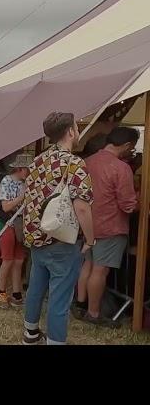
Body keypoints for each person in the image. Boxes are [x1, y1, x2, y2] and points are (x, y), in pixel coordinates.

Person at [21, 112, 95, 345]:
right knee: (60, 297)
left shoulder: (37, 160)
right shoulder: (74, 163)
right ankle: (55, 341)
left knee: (36, 287)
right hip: (62, 238)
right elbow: (82, 207)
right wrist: (91, 239)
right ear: (70, 132)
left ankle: (30, 332)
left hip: (36, 233)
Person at [74, 127, 139, 327]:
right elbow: (128, 204)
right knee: (100, 271)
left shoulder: (88, 162)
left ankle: (81, 305)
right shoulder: (121, 168)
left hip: (88, 224)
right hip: (111, 226)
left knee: (88, 265)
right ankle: (94, 314)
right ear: (127, 145)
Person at [0, 154, 32, 309]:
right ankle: (2, 292)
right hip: (8, 224)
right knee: (8, 260)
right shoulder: (6, 181)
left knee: (19, 260)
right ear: (20, 169)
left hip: (21, 225)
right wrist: (22, 197)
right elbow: (5, 207)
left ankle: (16, 293)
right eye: (28, 170)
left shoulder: (27, 182)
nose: (29, 173)